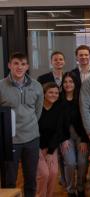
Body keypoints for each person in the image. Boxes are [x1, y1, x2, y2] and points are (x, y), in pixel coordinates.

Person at [0, 53, 43, 197]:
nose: (19, 67)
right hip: (9, 141)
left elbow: (38, 111)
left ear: (27, 67)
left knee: (31, 179)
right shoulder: (1, 86)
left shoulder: (36, 86)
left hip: (31, 139)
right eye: (16, 63)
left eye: (23, 64)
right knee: (9, 180)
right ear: (9, 65)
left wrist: (29, 124)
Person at [59, 72, 89, 197]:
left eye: (70, 81)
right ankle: (71, 190)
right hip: (65, 137)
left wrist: (84, 139)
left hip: (81, 136)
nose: (68, 84)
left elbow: (87, 118)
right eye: (65, 82)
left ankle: (81, 187)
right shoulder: (58, 98)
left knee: (82, 163)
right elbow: (56, 122)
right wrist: (63, 139)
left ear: (75, 83)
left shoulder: (82, 97)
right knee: (70, 163)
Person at [36, 82, 64, 197]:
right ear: (44, 94)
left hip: (51, 147)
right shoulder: (37, 108)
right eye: (50, 92)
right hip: (36, 146)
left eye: (56, 93)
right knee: (44, 174)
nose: (54, 95)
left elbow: (58, 132)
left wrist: (50, 151)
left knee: (53, 173)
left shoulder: (59, 109)